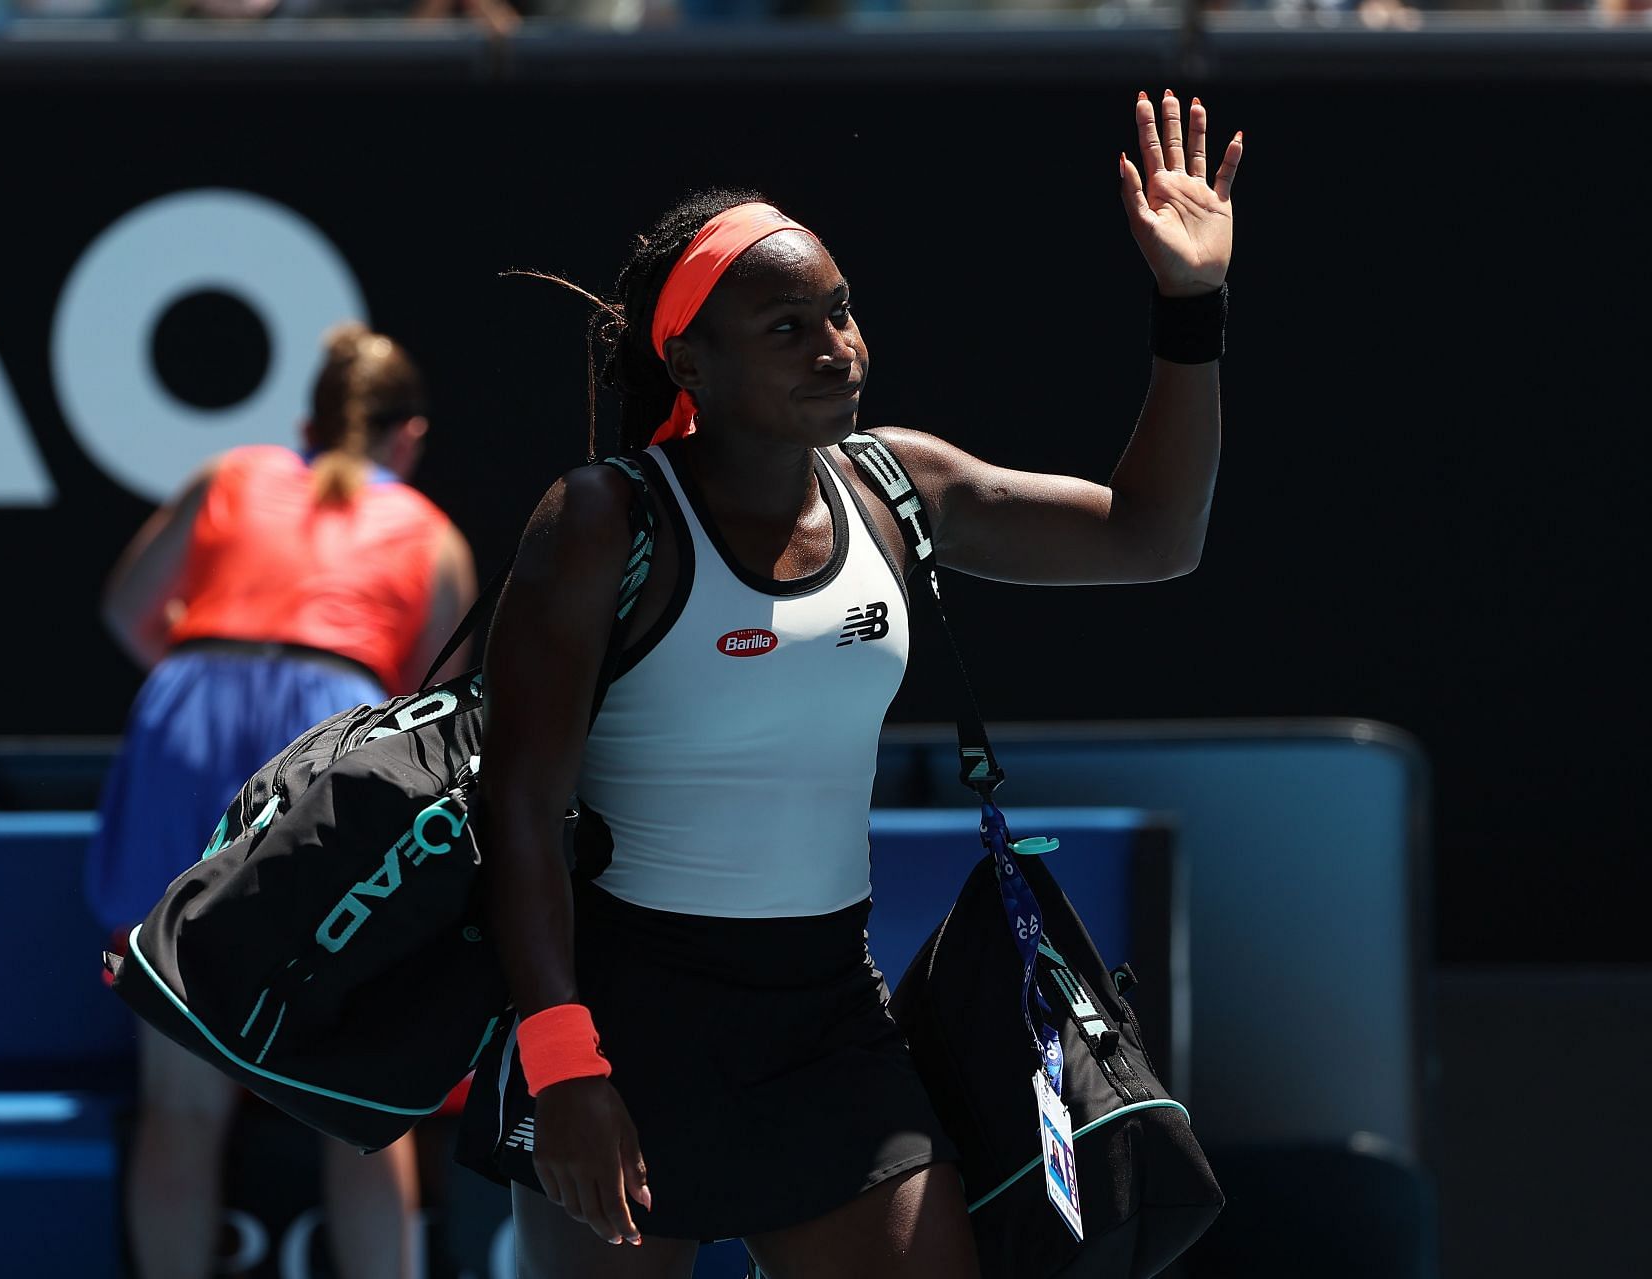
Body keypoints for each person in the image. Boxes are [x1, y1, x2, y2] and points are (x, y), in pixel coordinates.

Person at [459, 90, 1241, 1278]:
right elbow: (515, 804)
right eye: (786, 328)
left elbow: (1154, 535)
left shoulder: (898, 485)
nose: (837, 349)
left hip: (827, 1016)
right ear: (690, 360)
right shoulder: (599, 523)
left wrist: (1190, 306)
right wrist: (565, 1065)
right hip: (620, 1018)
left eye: (842, 314)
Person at [87, 323, 478, 1279]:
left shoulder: (228, 473)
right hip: (332, 741)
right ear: (410, 436)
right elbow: (441, 723)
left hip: (185, 715)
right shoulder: (432, 534)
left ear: (307, 420)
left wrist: (212, 692)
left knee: (180, 1102)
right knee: (355, 1100)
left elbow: (130, 611)